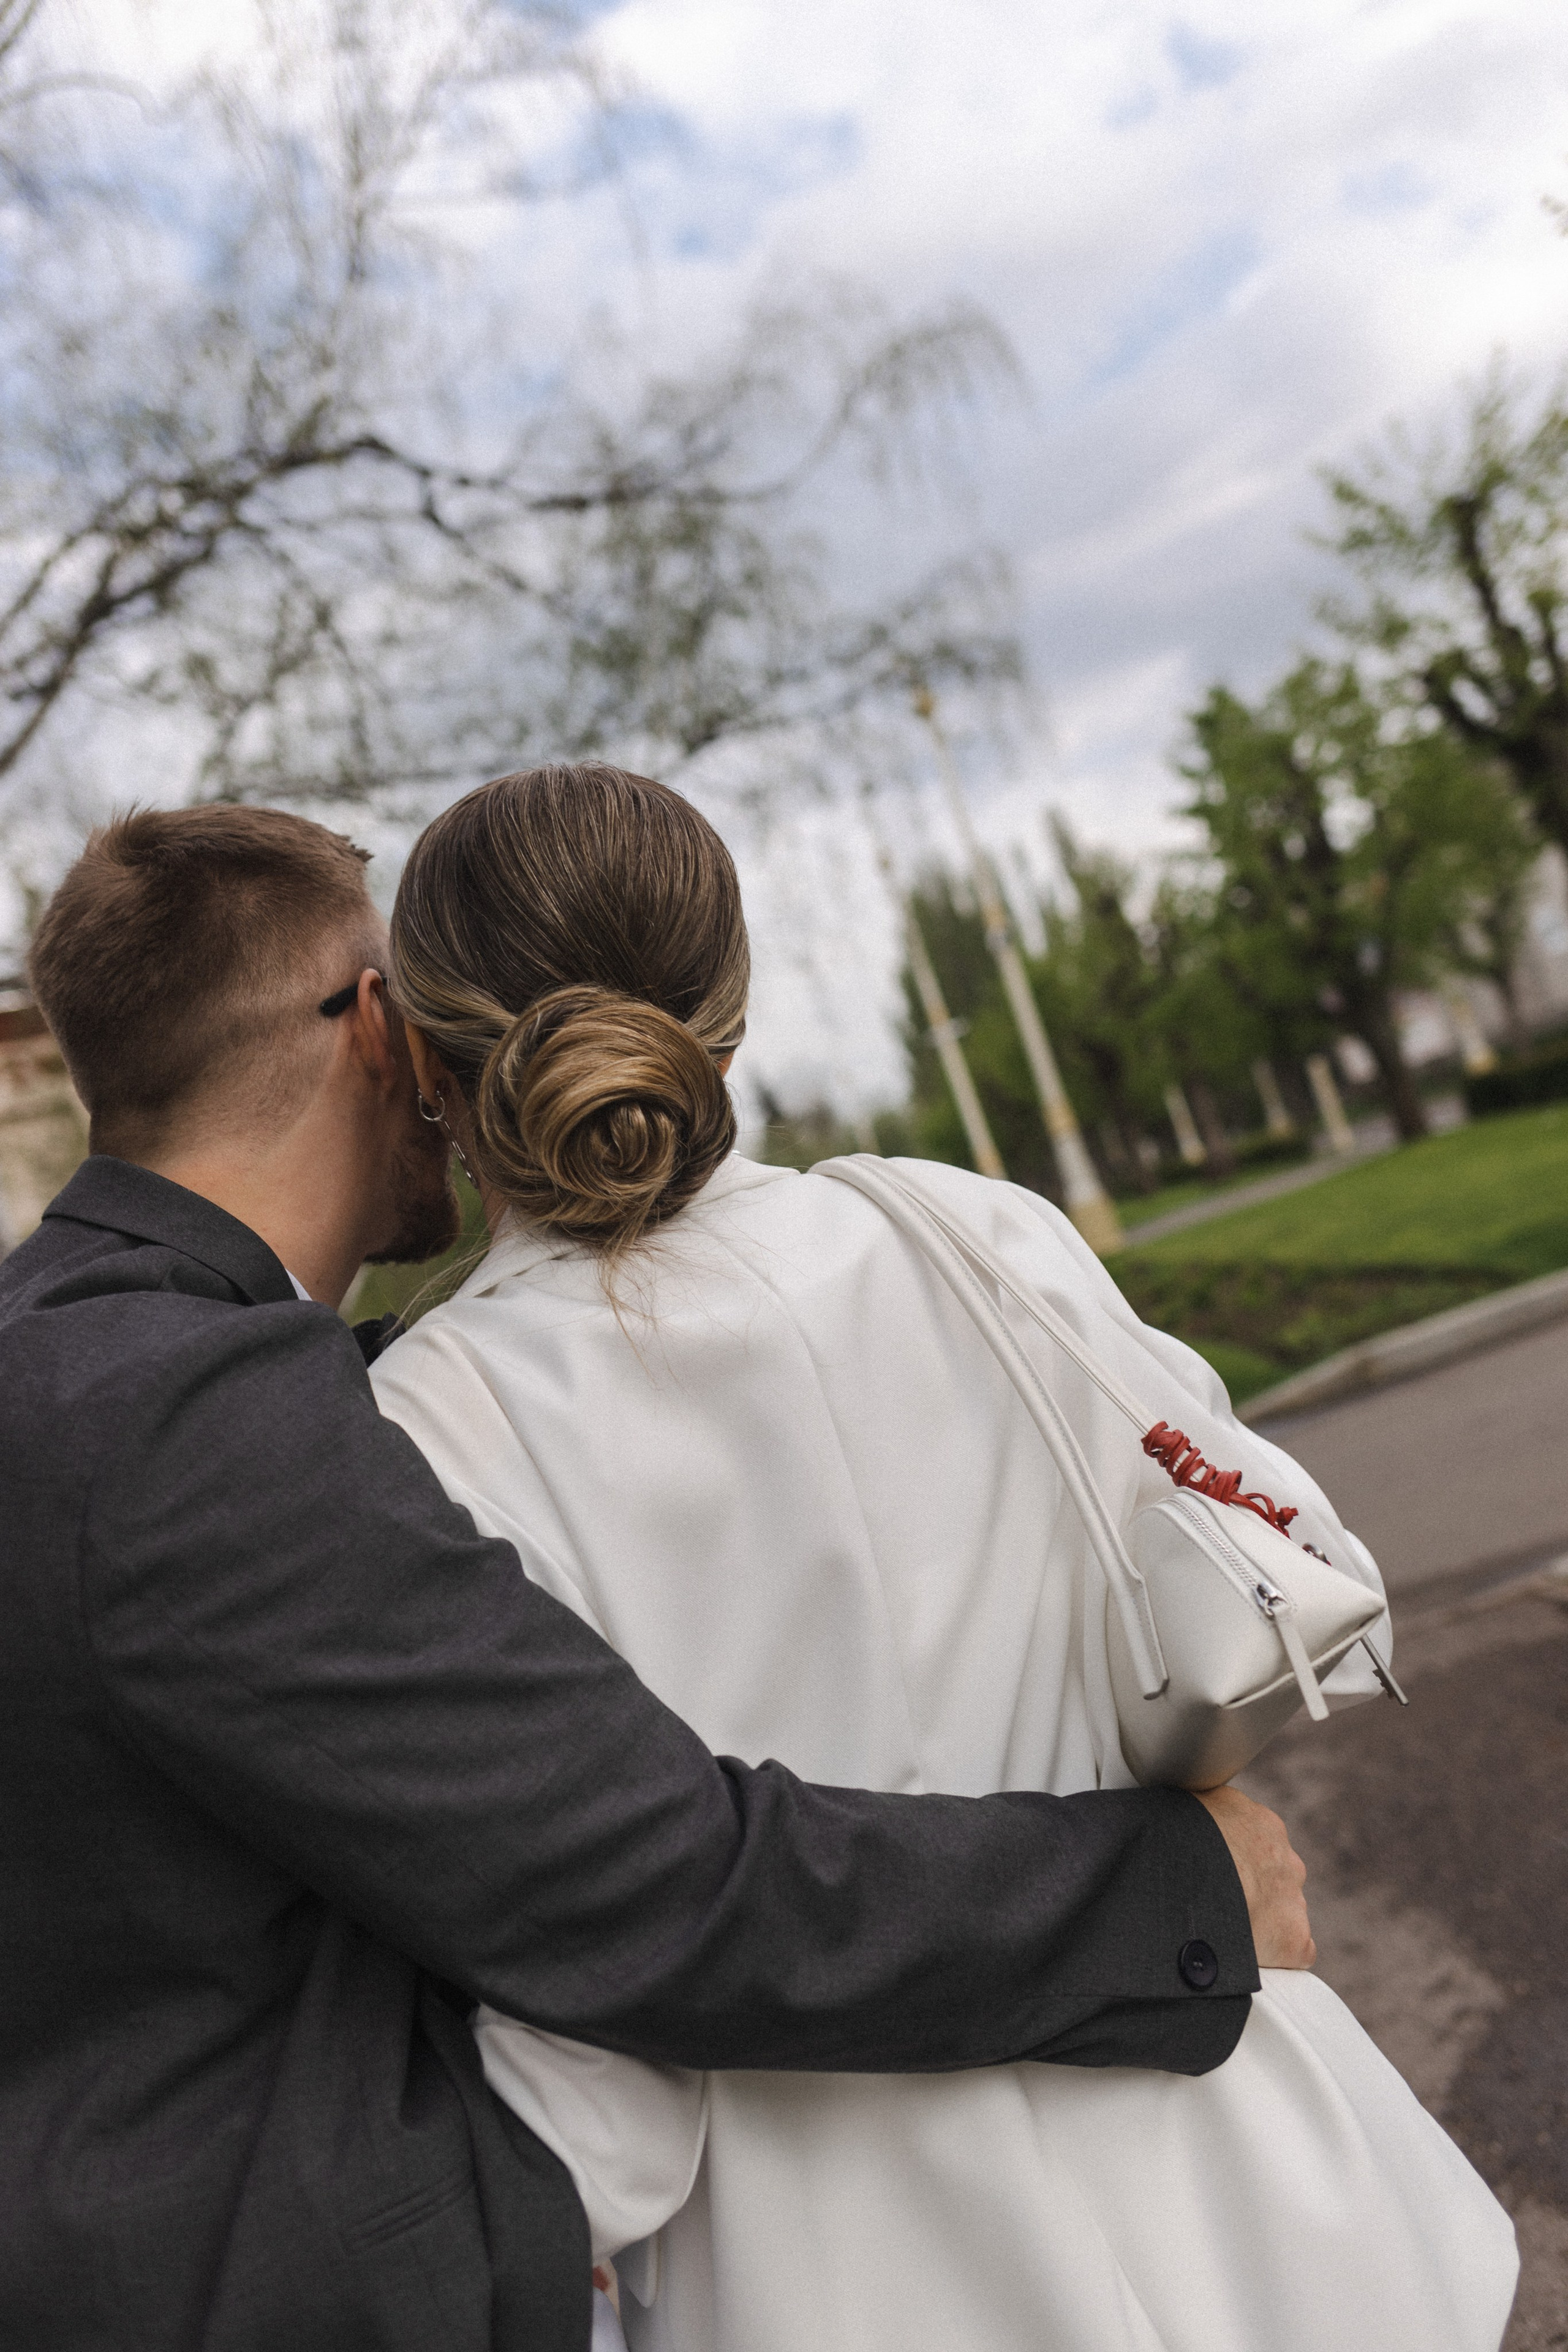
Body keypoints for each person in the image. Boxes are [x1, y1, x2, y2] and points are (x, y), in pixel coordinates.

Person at [1, 804, 1311, 2352]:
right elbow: (663, 1885)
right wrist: (1174, 1894)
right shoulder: (186, 1410)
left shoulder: (106, 1366)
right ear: (377, 1031)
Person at [371, 761, 1520, 2352]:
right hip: (1245, 2186)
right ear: (735, 1003)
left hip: (831, 2271)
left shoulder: (444, 1414)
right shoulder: (965, 1231)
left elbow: (584, 1954)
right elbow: (1213, 1551)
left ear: (424, 1060)